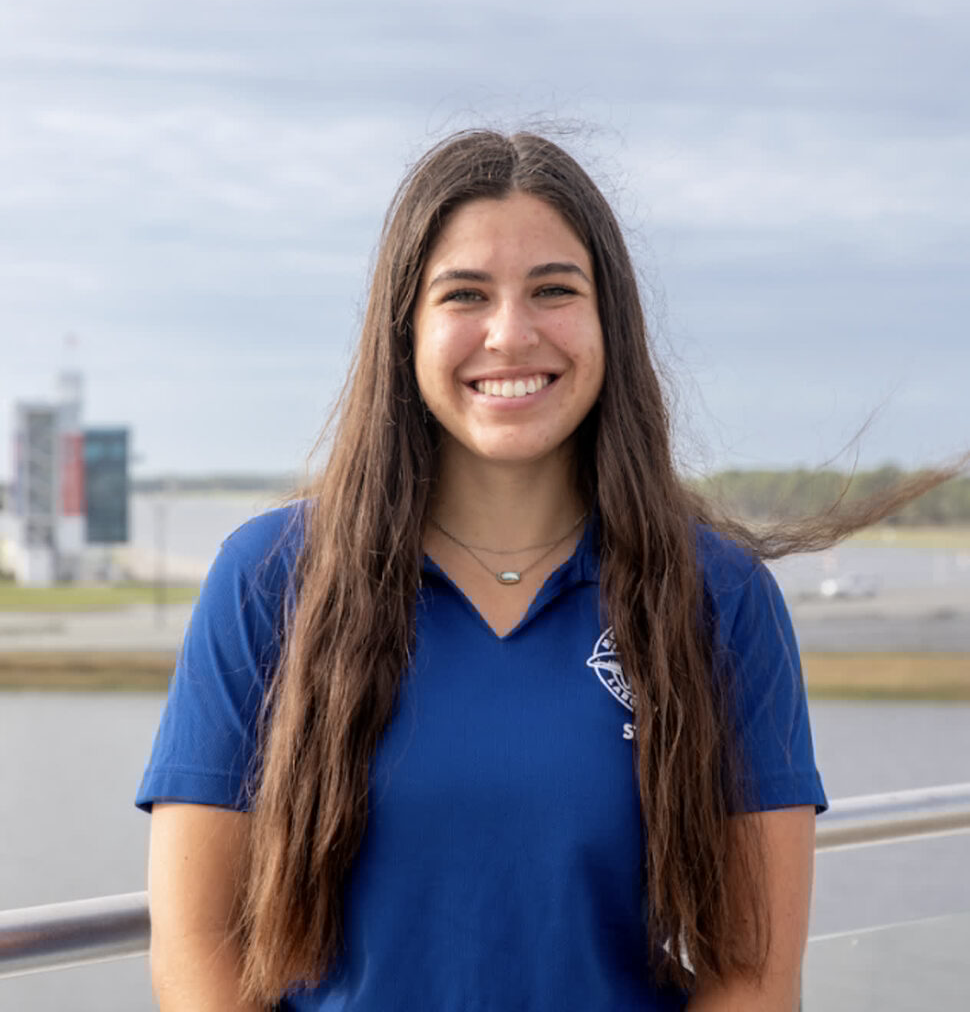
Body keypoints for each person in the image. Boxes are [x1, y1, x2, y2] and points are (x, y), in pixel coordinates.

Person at [136, 129, 953, 1011]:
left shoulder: (720, 598)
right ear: (404, 328)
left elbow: (752, 978)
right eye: (465, 294)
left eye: (554, 290)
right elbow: (197, 954)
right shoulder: (268, 579)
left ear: (610, 324)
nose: (511, 334)